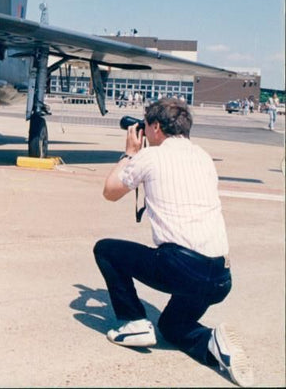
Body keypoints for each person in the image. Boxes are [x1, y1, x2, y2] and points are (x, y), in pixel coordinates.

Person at [94, 98, 253, 387]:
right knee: (171, 326)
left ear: (156, 126)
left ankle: (134, 322)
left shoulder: (150, 157)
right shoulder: (203, 156)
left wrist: (129, 154)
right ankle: (213, 342)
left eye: (146, 125)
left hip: (181, 266)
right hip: (220, 277)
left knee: (106, 250)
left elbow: (110, 192)